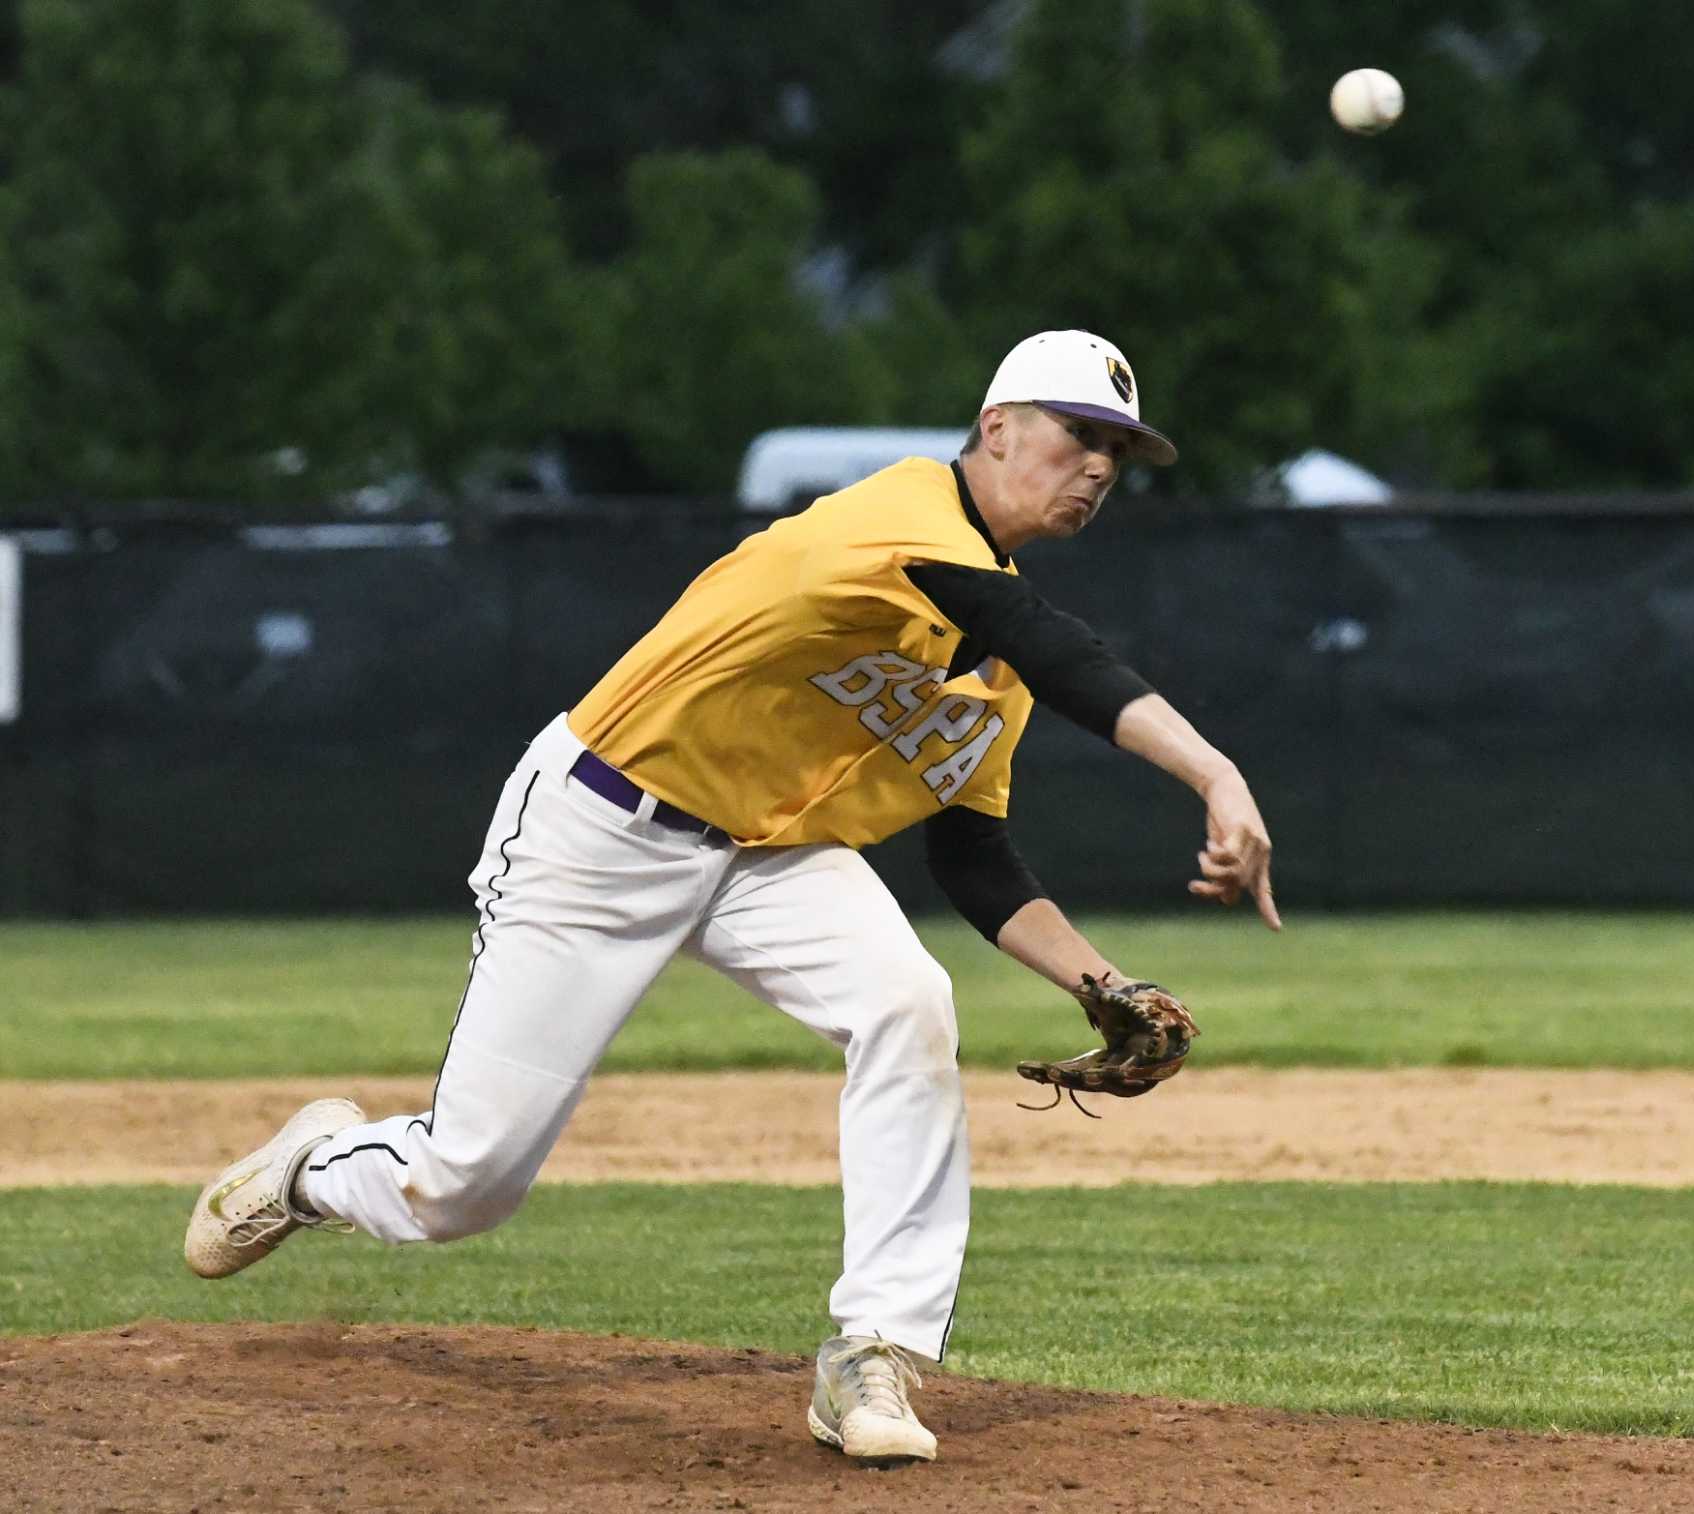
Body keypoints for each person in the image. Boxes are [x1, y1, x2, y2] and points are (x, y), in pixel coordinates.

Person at [184, 328, 1282, 1465]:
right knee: (461, 1186)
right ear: (995, 429)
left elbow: (973, 856)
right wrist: (1212, 770)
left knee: (906, 1001)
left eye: (1118, 449)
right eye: (1077, 434)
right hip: (602, 824)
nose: (1099, 465)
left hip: (764, 853)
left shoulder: (988, 667)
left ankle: (875, 1351)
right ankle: (312, 1169)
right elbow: (1053, 644)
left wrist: (1100, 983)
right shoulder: (902, 515)